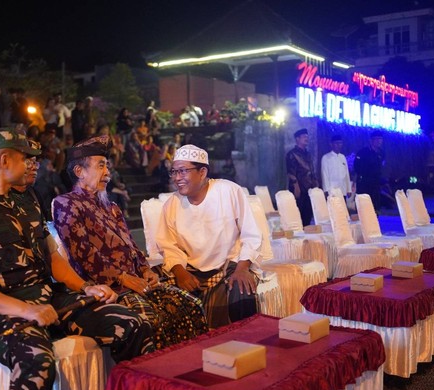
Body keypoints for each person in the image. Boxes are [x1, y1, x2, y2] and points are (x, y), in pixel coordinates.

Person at [0, 128, 154, 390]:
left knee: (132, 324)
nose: (34, 164)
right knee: (36, 361)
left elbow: (53, 257)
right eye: (26, 158)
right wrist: (25, 310)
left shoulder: (27, 201)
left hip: (46, 298)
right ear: (5, 160)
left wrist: (86, 287)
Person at [53, 136, 207, 349]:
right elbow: (84, 255)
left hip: (138, 283)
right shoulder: (66, 204)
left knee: (191, 306)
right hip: (110, 289)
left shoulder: (111, 206)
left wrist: (146, 271)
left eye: (107, 166)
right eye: (101, 166)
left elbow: (132, 246)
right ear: (80, 172)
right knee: (152, 321)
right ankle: (155, 379)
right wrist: (123, 278)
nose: (107, 173)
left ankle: (189, 372)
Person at [155, 144, 262, 329]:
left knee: (242, 290)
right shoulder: (171, 204)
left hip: (229, 265)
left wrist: (243, 268)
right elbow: (168, 246)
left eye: (183, 171)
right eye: (174, 172)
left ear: (202, 172)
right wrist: (181, 273)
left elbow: (251, 234)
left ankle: (245, 346)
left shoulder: (228, 191)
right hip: (191, 269)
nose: (177, 178)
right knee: (157, 288)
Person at [286, 128, 318, 226]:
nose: (306, 138)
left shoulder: (307, 154)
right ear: (297, 139)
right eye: (304, 137)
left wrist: (315, 182)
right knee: (299, 214)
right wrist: (296, 186)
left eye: (307, 136)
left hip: (309, 187)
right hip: (299, 187)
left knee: (308, 214)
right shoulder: (292, 154)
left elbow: (311, 169)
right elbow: (290, 172)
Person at [355, 130, 384, 211]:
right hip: (364, 183)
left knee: (375, 206)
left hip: (376, 184)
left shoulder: (381, 153)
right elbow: (357, 167)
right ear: (371, 140)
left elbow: (381, 167)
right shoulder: (363, 152)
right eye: (377, 139)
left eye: (380, 139)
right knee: (364, 207)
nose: (379, 141)